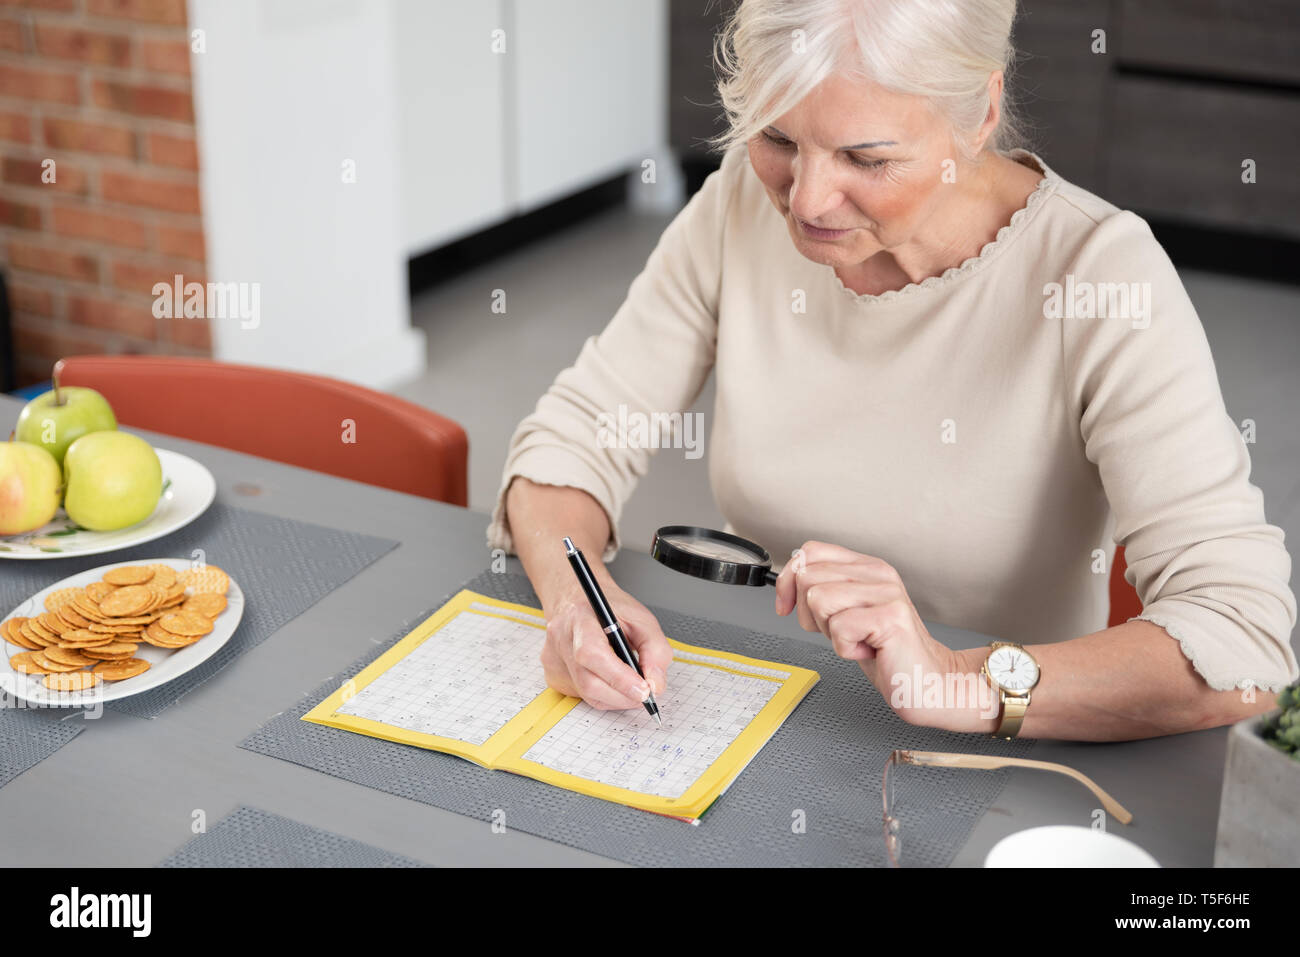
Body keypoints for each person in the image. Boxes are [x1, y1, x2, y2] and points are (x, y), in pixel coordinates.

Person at [486, 0, 1297, 741]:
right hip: (774, 715)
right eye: (777, 138)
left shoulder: (1099, 275)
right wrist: (573, 603)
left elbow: (1244, 642)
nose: (806, 202)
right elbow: (574, 438)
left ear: (979, 111)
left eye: (865, 159)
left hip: (1006, 762)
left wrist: (954, 681)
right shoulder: (739, 203)